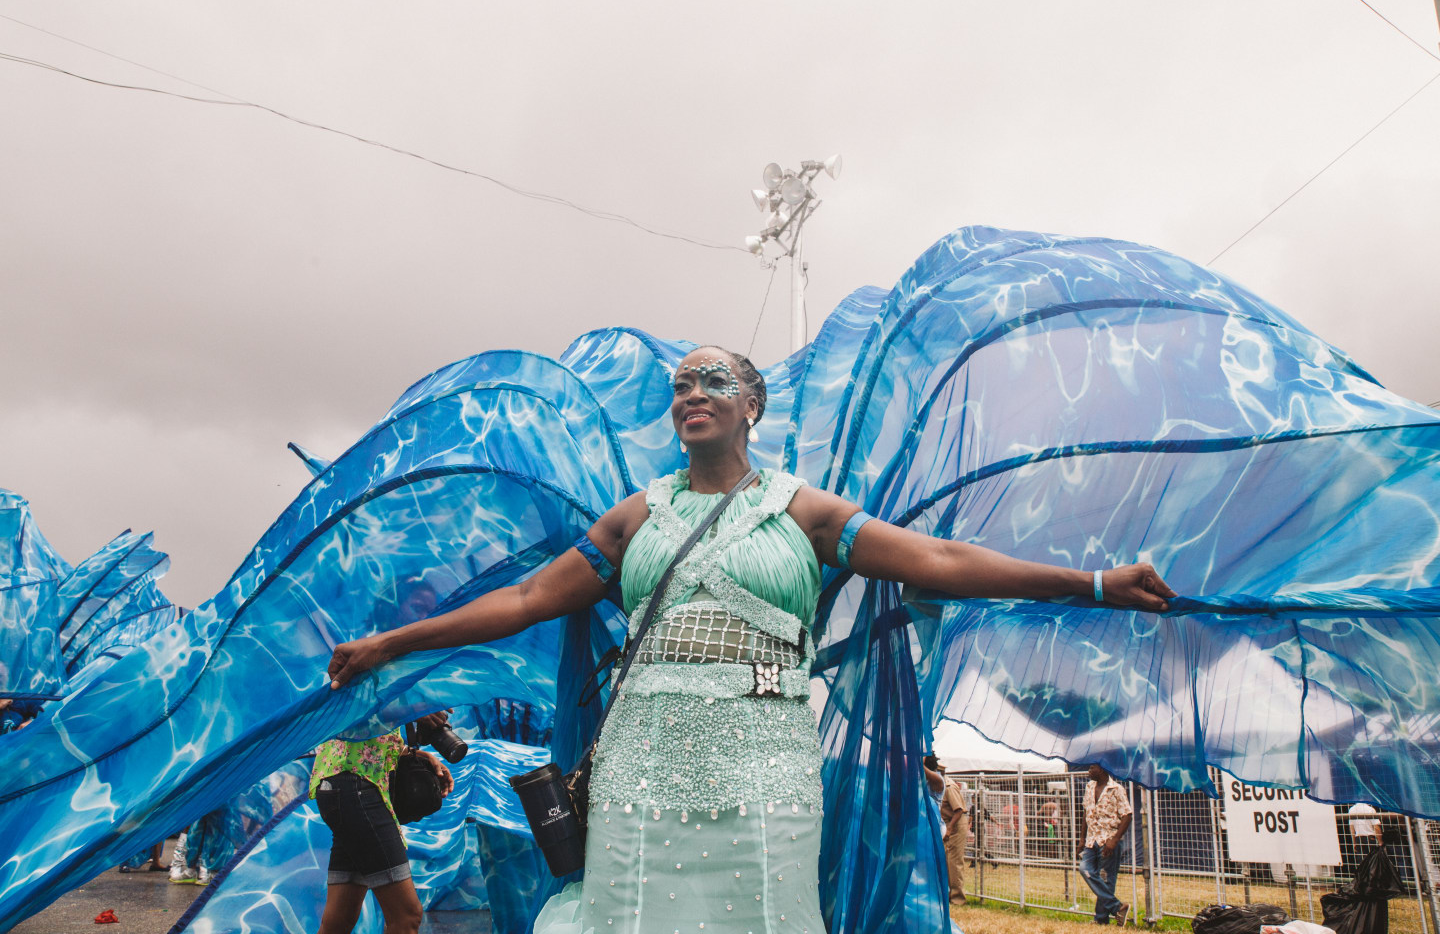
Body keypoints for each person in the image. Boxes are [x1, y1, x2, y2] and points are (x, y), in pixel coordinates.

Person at [327, 346, 1176, 933]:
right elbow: (525, 599)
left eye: (715, 381)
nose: (692, 393)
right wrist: (391, 644)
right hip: (642, 762)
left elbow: (942, 559)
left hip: (763, 762)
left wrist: (1094, 583)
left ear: (752, 406)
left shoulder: (805, 511)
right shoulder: (638, 516)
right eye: (682, 385)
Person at [310, 712, 455, 934]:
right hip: (356, 785)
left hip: (347, 785)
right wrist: (417, 708)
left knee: (340, 919)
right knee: (406, 915)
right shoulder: (374, 679)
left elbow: (366, 730)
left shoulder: (393, 683)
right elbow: (362, 695)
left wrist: (416, 753)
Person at [1077, 764, 1132, 926]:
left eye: (1091, 768)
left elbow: (1127, 815)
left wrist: (1115, 839)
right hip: (1091, 840)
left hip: (1108, 840)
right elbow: (1087, 813)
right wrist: (1081, 839)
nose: (1089, 771)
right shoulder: (1089, 787)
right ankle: (1117, 907)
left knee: (1106, 878)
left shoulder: (1116, 789)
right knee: (1085, 869)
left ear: (1101, 769)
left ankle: (1101, 920)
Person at [937, 763, 971, 907]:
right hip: (947, 823)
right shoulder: (939, 786)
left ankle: (958, 899)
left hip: (955, 825)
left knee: (954, 862)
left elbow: (959, 810)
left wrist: (949, 830)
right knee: (945, 861)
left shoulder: (949, 787)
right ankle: (947, 894)